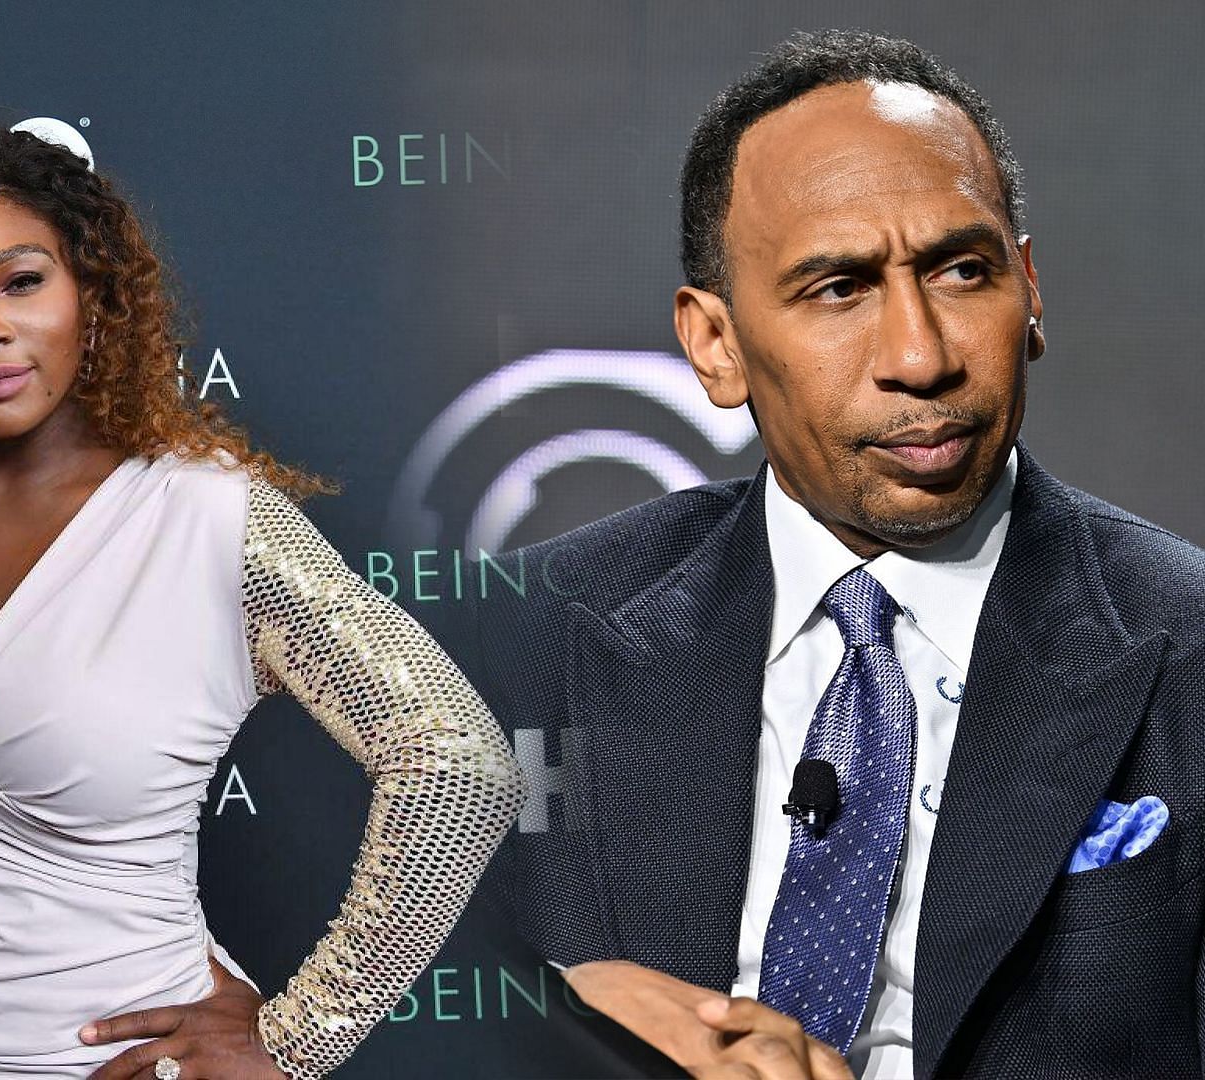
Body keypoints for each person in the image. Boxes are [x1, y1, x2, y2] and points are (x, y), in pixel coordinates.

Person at [479, 29, 1205, 1080]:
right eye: (839, 288)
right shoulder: (528, 636)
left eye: (964, 270)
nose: (922, 356)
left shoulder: (1187, 647)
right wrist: (564, 1011)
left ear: (1032, 292)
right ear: (716, 346)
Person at [0, 119, 525, 1079]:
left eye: (22, 281)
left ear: (94, 294)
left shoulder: (206, 519)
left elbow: (457, 762)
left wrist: (296, 1040)